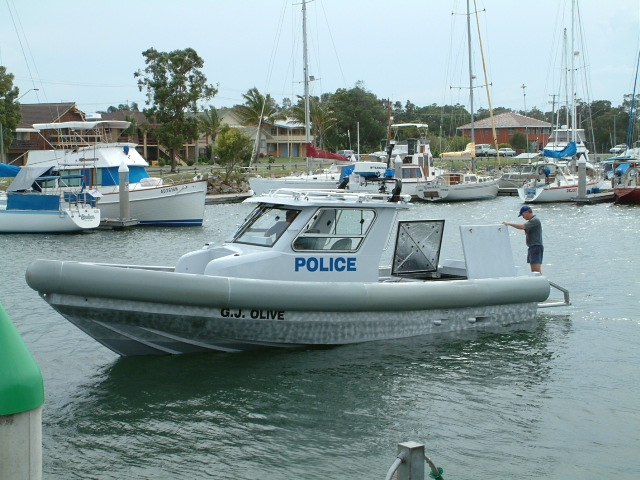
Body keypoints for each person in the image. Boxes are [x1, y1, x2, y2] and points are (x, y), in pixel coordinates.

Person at [503, 205, 543, 273]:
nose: (523, 217)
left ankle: (540, 281)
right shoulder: (531, 221)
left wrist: (509, 223)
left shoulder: (535, 220)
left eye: (523, 215)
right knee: (533, 270)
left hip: (536, 247)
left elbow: (522, 227)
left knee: (536, 270)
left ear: (527, 212)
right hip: (532, 247)